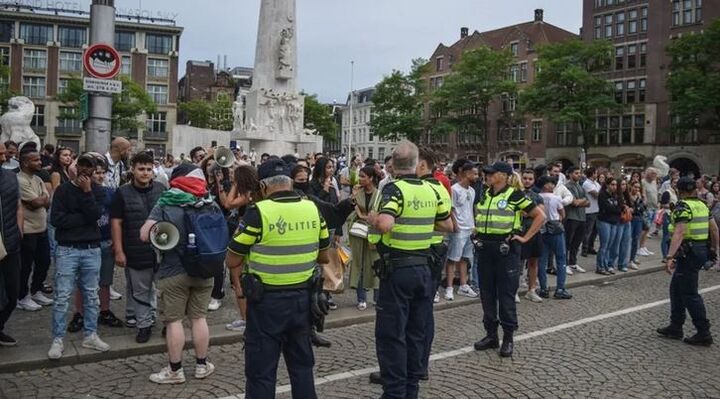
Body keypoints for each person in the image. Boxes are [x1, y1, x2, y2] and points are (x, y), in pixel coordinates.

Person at [225, 159, 330, 398]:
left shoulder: (258, 213)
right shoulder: (312, 208)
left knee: (261, 371)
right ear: (290, 182)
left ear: (262, 186)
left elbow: (232, 260)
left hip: (267, 303)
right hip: (303, 300)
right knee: (302, 367)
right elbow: (323, 256)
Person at [366, 141, 452, 398]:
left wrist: (372, 219)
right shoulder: (432, 189)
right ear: (416, 163)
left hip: (398, 269)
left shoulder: (394, 189)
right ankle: (411, 388)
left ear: (393, 164)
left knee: (392, 332)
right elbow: (447, 225)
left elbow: (384, 224)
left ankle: (394, 392)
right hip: (424, 268)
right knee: (416, 330)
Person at [140, 163, 218, 384]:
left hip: (173, 270)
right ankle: (202, 365)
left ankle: (175, 370)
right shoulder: (209, 201)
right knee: (199, 318)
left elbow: (145, 234)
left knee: (174, 320)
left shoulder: (166, 201)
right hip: (205, 270)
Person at [473, 161, 544, 357]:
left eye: (491, 173)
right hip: (485, 249)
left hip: (506, 252)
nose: (487, 176)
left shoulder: (514, 194)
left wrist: (525, 237)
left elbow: (539, 216)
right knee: (486, 294)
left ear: (504, 176)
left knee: (505, 296)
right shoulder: (485, 193)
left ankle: (508, 338)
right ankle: (491, 335)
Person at [48, 154, 110, 359]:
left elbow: (96, 215)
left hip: (92, 249)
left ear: (94, 170)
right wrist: (83, 218)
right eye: (81, 165)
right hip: (67, 249)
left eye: (89, 167)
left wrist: (86, 193)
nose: (85, 170)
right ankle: (58, 339)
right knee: (62, 296)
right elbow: (57, 219)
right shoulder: (63, 190)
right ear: (75, 167)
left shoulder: (98, 191)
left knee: (92, 296)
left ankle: (90, 334)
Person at [657, 177, 719, 346]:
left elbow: (680, 232)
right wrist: (713, 250)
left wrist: (669, 256)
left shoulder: (683, 206)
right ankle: (676, 325)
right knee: (676, 287)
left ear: (680, 191)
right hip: (700, 250)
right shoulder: (702, 205)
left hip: (689, 252)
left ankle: (703, 331)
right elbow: (714, 230)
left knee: (690, 292)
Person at [111, 152, 165, 342]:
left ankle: (168, 323)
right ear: (133, 170)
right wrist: (118, 250)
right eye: (141, 169)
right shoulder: (122, 192)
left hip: (161, 250)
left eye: (149, 169)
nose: (145, 173)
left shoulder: (161, 189)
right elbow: (116, 222)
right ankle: (143, 325)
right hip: (134, 249)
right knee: (140, 291)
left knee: (164, 289)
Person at [17, 148, 52, 311]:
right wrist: (40, 200)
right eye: (35, 160)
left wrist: (40, 200)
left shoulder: (38, 179)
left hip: (42, 228)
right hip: (28, 230)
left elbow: (46, 200)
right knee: (25, 265)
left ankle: (36, 290)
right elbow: (37, 202)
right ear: (25, 162)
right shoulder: (20, 180)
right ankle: (22, 296)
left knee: (44, 262)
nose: (40, 162)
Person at [445, 161, 479, 300]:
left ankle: (464, 285)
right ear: (466, 173)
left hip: (469, 228)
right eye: (474, 173)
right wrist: (455, 224)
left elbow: (470, 209)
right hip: (459, 229)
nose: (477, 176)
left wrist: (474, 225)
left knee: (465, 258)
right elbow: (451, 208)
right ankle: (449, 287)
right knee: (453, 258)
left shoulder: (472, 190)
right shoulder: (455, 189)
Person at [347, 166, 380, 310]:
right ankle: (361, 298)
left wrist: (363, 216)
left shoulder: (379, 194)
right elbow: (350, 209)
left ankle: (377, 298)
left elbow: (378, 214)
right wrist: (353, 196)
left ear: (371, 178)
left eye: (363, 176)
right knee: (359, 264)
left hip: (374, 233)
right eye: (359, 176)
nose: (360, 179)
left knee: (375, 264)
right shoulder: (357, 192)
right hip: (359, 233)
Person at [0, 143, 22, 346]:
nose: (3, 155)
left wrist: (19, 231)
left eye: (3, 152)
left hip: (10, 243)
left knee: (12, 292)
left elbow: (17, 206)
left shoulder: (9, 177)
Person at [537, 176, 572, 299]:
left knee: (542, 260)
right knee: (561, 258)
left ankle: (543, 288)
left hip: (541, 228)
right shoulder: (556, 198)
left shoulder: (537, 197)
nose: (553, 185)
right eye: (551, 183)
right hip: (555, 228)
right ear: (546, 185)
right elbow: (562, 213)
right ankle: (560, 288)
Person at [520, 169, 545, 302]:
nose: (527, 181)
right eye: (525, 178)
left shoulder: (537, 196)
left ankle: (531, 290)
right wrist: (533, 212)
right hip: (520, 231)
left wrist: (528, 212)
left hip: (534, 232)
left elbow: (542, 213)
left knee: (533, 262)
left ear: (534, 180)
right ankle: (513, 291)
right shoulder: (516, 194)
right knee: (518, 262)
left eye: (530, 179)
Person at [563, 166, 589, 275]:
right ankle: (564, 264)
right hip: (571, 217)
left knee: (577, 242)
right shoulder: (566, 187)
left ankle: (573, 262)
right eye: (576, 173)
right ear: (570, 174)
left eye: (579, 173)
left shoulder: (580, 186)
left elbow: (589, 203)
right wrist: (582, 200)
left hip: (582, 217)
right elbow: (574, 203)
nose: (579, 175)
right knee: (567, 242)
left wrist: (581, 201)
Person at [597, 178, 622, 275]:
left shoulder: (616, 195)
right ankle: (600, 266)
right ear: (607, 185)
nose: (614, 187)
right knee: (604, 245)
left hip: (614, 221)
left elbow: (620, 206)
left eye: (615, 185)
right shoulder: (602, 195)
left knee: (609, 245)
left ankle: (606, 265)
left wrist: (617, 209)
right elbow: (607, 207)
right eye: (612, 184)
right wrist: (617, 210)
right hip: (604, 221)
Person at [638, 167, 659, 256]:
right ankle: (639, 247)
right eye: (653, 173)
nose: (655, 176)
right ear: (648, 174)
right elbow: (644, 194)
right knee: (645, 228)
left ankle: (643, 246)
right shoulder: (643, 182)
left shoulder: (654, 182)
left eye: (655, 174)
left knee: (648, 229)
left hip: (654, 207)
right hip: (648, 208)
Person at [613, 179, 633, 272]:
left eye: (625, 184)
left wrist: (630, 209)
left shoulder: (627, 196)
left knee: (625, 243)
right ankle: (611, 263)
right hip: (619, 221)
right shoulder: (616, 196)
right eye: (622, 184)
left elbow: (633, 207)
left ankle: (622, 263)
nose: (623, 186)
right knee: (616, 243)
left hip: (627, 220)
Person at [582, 167, 601, 256]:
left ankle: (591, 247)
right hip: (589, 211)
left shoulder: (596, 183)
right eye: (595, 173)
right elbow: (596, 195)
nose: (596, 174)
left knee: (595, 231)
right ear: (592, 174)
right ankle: (584, 249)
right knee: (587, 231)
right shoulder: (587, 183)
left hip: (597, 209)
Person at [628, 181, 646, 270]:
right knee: (628, 239)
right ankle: (627, 259)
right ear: (631, 186)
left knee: (636, 239)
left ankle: (633, 257)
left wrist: (639, 201)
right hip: (631, 219)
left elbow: (642, 208)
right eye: (635, 187)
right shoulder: (629, 197)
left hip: (638, 219)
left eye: (638, 187)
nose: (637, 189)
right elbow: (634, 208)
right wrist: (637, 202)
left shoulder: (639, 197)